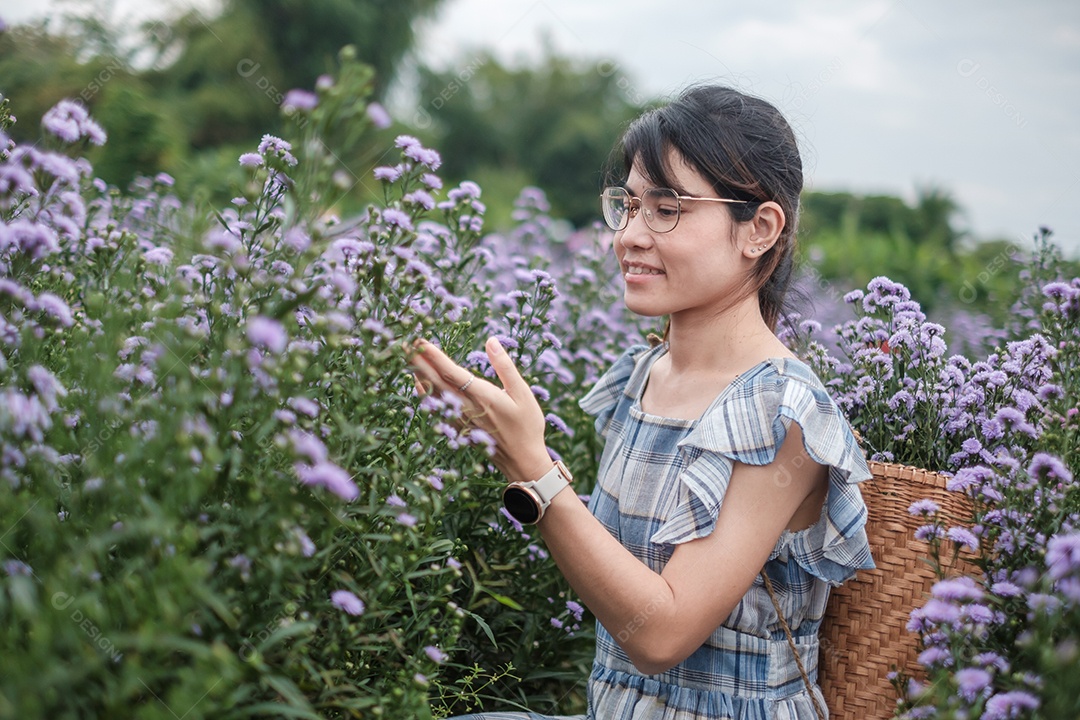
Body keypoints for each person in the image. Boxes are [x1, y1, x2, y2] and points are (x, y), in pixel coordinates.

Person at [410, 84, 874, 720]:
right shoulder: (645, 371)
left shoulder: (782, 411)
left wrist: (532, 470)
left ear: (759, 229)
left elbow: (661, 634)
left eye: (667, 208)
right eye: (627, 206)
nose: (629, 235)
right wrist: (508, 451)